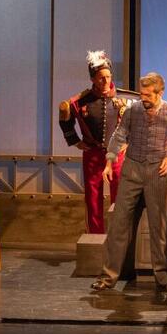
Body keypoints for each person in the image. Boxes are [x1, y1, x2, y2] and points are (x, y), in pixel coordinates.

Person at [91, 72, 167, 305]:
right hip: (132, 170)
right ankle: (108, 277)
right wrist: (109, 161)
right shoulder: (133, 110)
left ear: (160, 93)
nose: (143, 98)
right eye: (142, 94)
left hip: (157, 172)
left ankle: (163, 280)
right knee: (119, 224)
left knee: (159, 228)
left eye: (148, 95)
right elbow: (119, 134)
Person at [59, 50, 128, 234]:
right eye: (101, 78)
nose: (105, 81)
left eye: (108, 76)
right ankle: (95, 238)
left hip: (117, 155)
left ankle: (117, 236)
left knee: (119, 197)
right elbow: (64, 118)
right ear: (92, 79)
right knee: (93, 198)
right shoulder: (80, 101)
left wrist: (127, 143)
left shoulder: (124, 98)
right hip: (93, 155)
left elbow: (135, 122)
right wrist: (75, 141)